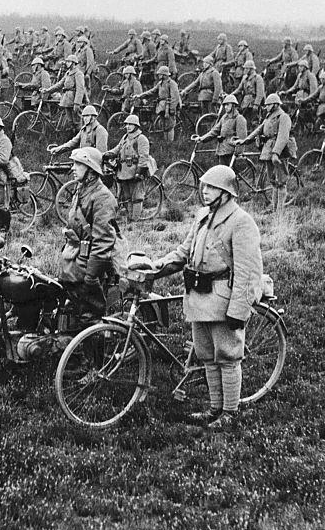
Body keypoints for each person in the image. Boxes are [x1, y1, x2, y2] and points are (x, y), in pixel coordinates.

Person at [143, 164, 263, 429]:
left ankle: (230, 412)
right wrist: (157, 266)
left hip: (223, 299)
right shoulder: (202, 216)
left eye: (212, 188)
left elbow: (248, 272)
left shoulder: (241, 222)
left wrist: (238, 311)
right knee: (207, 355)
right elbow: (184, 252)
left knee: (228, 356)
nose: (205, 191)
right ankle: (214, 408)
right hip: (199, 296)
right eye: (204, 186)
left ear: (227, 193)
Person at [60, 147, 119, 323]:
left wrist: (91, 276)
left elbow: (103, 240)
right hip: (74, 260)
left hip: (88, 265)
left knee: (89, 316)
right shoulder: (82, 190)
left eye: (78, 164)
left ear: (91, 170)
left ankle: (94, 337)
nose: (73, 168)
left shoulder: (102, 197)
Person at [235, 94, 295, 210]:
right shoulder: (269, 116)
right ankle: (274, 208)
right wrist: (245, 140)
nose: (266, 107)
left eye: (268, 105)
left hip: (280, 152)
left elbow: (283, 137)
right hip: (268, 149)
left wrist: (276, 153)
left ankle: (280, 211)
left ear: (275, 105)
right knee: (273, 181)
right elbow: (259, 130)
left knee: (281, 182)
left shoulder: (283, 117)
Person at [104, 114, 151, 220]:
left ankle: (135, 219)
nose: (128, 126)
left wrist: (139, 172)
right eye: (127, 124)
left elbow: (144, 157)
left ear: (136, 126)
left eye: (131, 124)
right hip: (124, 171)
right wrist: (108, 154)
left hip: (135, 170)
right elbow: (118, 148)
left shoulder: (141, 138)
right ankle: (130, 217)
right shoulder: (125, 137)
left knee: (137, 197)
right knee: (127, 196)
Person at [193, 94, 247, 166]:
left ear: (233, 105)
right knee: (222, 171)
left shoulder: (239, 118)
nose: (225, 107)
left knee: (231, 172)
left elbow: (242, 138)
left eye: (228, 105)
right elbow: (214, 131)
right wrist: (202, 138)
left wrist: (238, 153)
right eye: (224, 105)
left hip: (232, 152)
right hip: (222, 150)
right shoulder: (224, 118)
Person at [138, 65, 181, 142]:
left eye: (160, 74)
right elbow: (152, 91)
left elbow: (175, 98)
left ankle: (170, 143)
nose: (158, 75)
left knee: (170, 126)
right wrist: (140, 95)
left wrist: (172, 109)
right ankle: (166, 142)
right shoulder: (160, 83)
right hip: (162, 107)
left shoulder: (172, 83)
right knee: (164, 125)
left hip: (168, 107)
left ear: (164, 75)